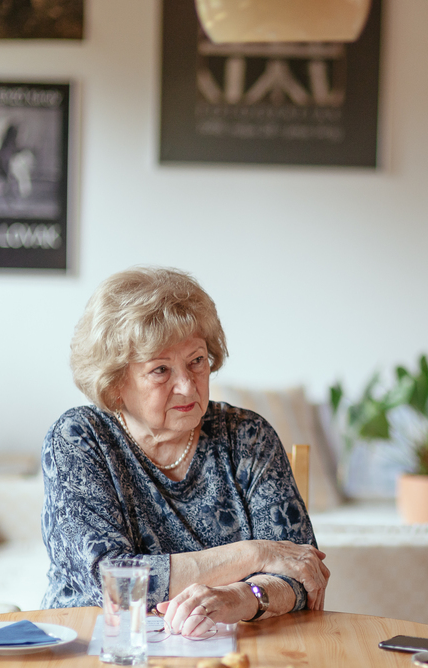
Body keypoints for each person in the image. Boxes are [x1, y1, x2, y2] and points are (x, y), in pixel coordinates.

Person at [41, 266, 328, 638]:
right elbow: (112, 581)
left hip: (227, 653)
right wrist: (254, 554)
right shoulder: (80, 438)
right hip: (100, 647)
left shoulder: (247, 435)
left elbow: (302, 575)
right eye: (161, 370)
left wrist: (244, 596)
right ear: (115, 385)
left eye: (196, 361)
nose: (187, 387)